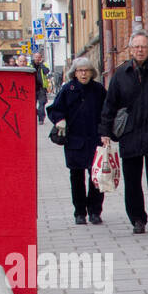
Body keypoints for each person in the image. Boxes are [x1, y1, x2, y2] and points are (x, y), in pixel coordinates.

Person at [99, 32, 148, 235]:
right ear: (130, 49)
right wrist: (105, 131)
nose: (140, 50)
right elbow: (109, 105)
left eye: (143, 46)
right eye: (136, 47)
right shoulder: (121, 74)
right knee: (133, 181)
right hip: (130, 134)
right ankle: (137, 219)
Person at [46, 57, 108, 225]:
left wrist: (105, 132)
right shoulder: (67, 89)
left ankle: (95, 211)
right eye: (80, 70)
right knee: (76, 177)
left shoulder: (98, 90)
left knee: (96, 177)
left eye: (86, 70)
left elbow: (106, 112)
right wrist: (60, 120)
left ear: (91, 73)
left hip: (94, 139)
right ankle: (79, 212)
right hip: (74, 140)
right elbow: (54, 109)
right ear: (74, 73)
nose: (83, 73)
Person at [32, 50, 51, 123]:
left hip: (41, 87)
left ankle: (41, 118)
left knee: (42, 104)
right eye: (36, 57)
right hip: (32, 88)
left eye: (39, 57)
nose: (37, 58)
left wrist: (41, 64)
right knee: (32, 104)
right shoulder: (30, 64)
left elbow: (46, 71)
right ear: (34, 57)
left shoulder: (44, 65)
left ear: (41, 58)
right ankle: (37, 114)